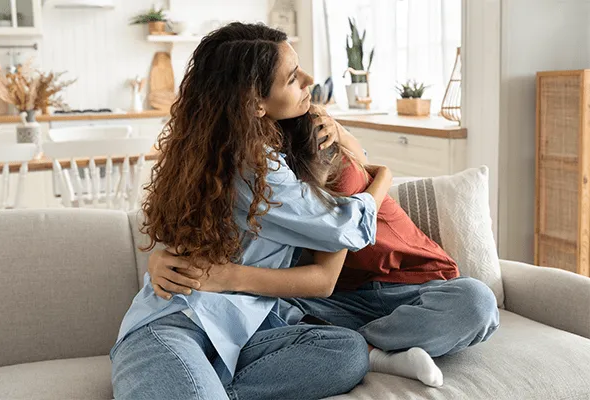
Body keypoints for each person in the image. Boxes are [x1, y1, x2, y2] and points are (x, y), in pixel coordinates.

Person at [110, 22, 394, 400]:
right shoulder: (253, 166)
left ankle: (211, 385)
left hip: (246, 334)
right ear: (254, 103)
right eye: (293, 78)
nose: (309, 80)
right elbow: (345, 225)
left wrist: (341, 136)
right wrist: (386, 177)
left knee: (345, 351)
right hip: (178, 325)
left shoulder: (228, 152)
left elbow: (342, 180)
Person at [150, 109, 500, 388]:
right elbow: (219, 235)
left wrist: (375, 170)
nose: (306, 83)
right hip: (332, 304)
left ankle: (370, 348)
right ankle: (375, 349)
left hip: (412, 287)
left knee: (475, 302)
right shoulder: (259, 177)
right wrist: (161, 259)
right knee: (250, 312)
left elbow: (333, 253)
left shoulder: (326, 155)